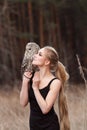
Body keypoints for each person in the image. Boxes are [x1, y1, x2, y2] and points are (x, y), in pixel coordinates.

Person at [20, 46, 70, 130]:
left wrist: (35, 88)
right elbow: (23, 103)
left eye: (40, 54)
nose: (35, 55)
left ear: (47, 62)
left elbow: (45, 109)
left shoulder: (55, 82)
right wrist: (25, 82)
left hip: (50, 126)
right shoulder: (31, 76)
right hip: (34, 126)